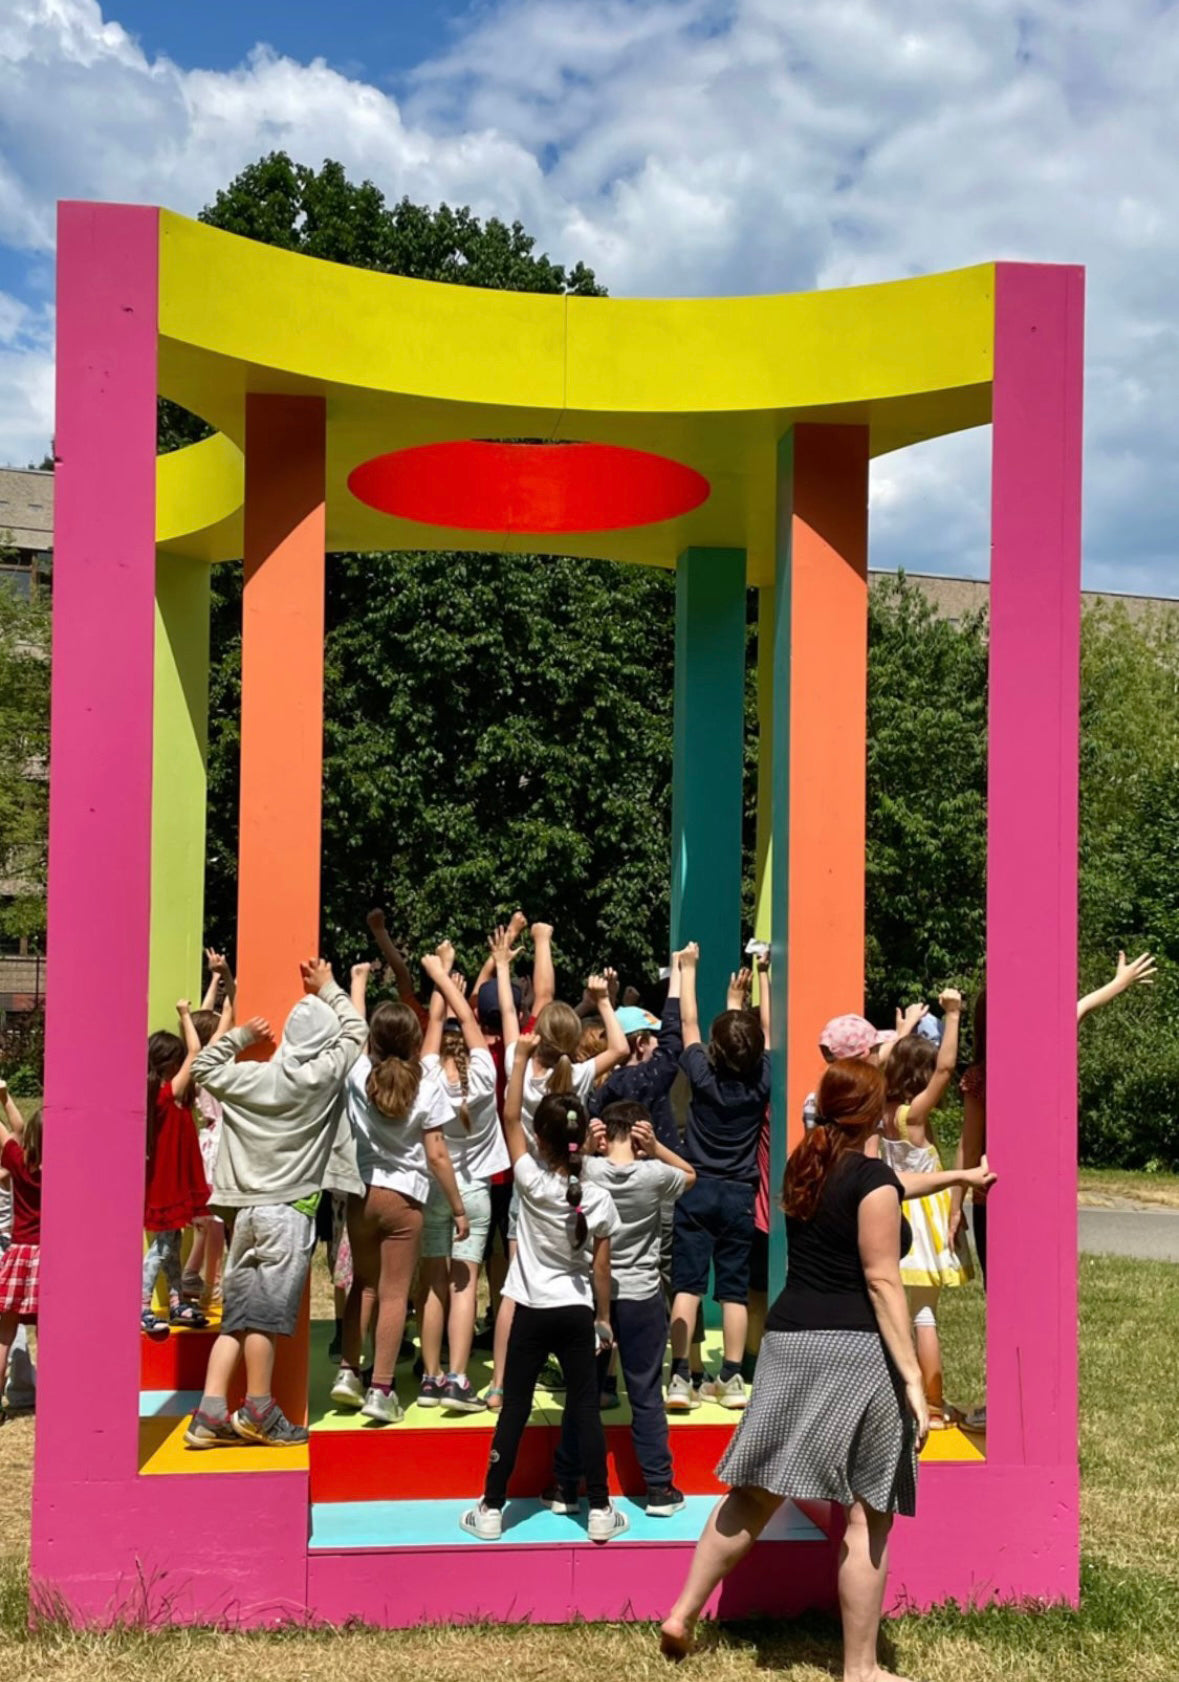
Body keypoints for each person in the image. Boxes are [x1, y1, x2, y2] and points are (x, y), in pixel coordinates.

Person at [659, 1059, 997, 1667]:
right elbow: (884, 1284)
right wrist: (915, 1384)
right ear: (874, 1114)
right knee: (870, 1514)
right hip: (855, 1352)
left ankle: (682, 1612)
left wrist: (958, 1177)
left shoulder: (807, 1164)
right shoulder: (871, 1183)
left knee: (752, 1494)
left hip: (789, 1342)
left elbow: (890, 1186)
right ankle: (861, 1669)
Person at [184, 959, 366, 1449]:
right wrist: (329, 987)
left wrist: (240, 1036)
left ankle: (210, 1412)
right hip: (290, 1212)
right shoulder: (321, 1077)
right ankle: (259, 1410)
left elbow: (201, 1066)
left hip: (244, 1213)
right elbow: (357, 1030)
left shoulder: (251, 1078)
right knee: (263, 1317)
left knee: (238, 1316)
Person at [460, 1038, 627, 1544]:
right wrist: (603, 1320)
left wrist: (517, 1059)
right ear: (588, 1140)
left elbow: (508, 1118)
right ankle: (599, 1510)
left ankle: (491, 1507)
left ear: (541, 1136)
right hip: (576, 1313)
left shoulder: (530, 1180)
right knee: (584, 1409)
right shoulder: (596, 1197)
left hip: (530, 1310)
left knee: (514, 1408)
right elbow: (602, 1270)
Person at [484, 949, 627, 1409]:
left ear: (535, 1037)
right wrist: (603, 1001)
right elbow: (621, 1049)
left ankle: (500, 1385)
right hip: (572, 1188)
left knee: (515, 1289)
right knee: (574, 1278)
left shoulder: (517, 1067)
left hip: (529, 1187)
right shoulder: (580, 1074)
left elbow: (509, 1013)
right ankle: (584, 1378)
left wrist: (503, 966)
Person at [331, 961, 468, 1426]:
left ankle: (349, 1372)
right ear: (412, 1041)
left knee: (362, 1287)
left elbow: (354, 1029)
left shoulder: (355, 1075)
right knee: (394, 1294)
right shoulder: (427, 1082)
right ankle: (382, 1388)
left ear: (372, 1040)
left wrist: (358, 984)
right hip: (405, 1200)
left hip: (360, 1195)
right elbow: (438, 1156)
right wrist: (457, 1206)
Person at [552, 1098, 695, 1516]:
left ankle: (565, 1484)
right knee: (646, 1393)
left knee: (584, 1393)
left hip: (590, 1298)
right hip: (641, 1295)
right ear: (641, 1133)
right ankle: (658, 1488)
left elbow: (560, 1166)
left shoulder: (588, 1170)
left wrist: (585, 1145)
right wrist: (657, 1150)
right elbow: (691, 1174)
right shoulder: (655, 1175)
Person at [668, 943, 770, 1413]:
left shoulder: (703, 1076)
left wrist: (688, 969)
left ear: (714, 1048)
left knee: (686, 1286)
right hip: (738, 1195)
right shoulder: (760, 1081)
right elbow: (762, 1036)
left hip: (695, 1187)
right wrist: (753, 989)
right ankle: (730, 1379)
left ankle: (679, 1378)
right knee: (732, 1289)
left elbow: (688, 1024)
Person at [418, 946, 510, 1413]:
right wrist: (450, 984)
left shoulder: (428, 1076)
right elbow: (468, 1023)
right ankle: (458, 1377)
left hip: (435, 1188)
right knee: (464, 1286)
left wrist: (438, 975)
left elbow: (436, 1027)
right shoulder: (485, 1077)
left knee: (432, 1284)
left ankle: (430, 1377)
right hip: (474, 1193)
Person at [879, 989, 969, 1426]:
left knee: (894, 1315)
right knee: (924, 1314)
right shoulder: (913, 1114)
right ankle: (932, 1405)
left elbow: (882, 1062)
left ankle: (900, 1396)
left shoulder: (880, 1107)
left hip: (891, 1217)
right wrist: (952, 1016)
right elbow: (948, 1068)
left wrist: (902, 1032)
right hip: (924, 1223)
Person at [142, 1002, 214, 1335]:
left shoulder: (159, 1096)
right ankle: (141, 1305)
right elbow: (197, 1050)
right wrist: (185, 1014)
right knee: (161, 1248)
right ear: (171, 1064)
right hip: (169, 1185)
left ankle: (176, 1301)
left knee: (170, 1245)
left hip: (170, 1183)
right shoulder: (165, 1096)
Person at [181, 949, 236, 1309]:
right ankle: (210, 1285)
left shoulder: (194, 1061)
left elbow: (204, 1023)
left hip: (205, 1142)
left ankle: (196, 1277)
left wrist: (213, 981)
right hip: (219, 1146)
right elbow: (228, 1015)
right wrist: (227, 976)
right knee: (215, 1224)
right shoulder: (215, 1056)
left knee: (205, 1222)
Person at [0, 1081, 40, 1418]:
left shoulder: (18, 1162)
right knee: (51, 1334)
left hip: (20, 1254)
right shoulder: (66, 1169)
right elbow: (19, 1130)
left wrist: (1, 1099)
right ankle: (55, 1397)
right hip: (51, 1259)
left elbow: (12, 1134)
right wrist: (5, 1099)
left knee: (4, 1334)